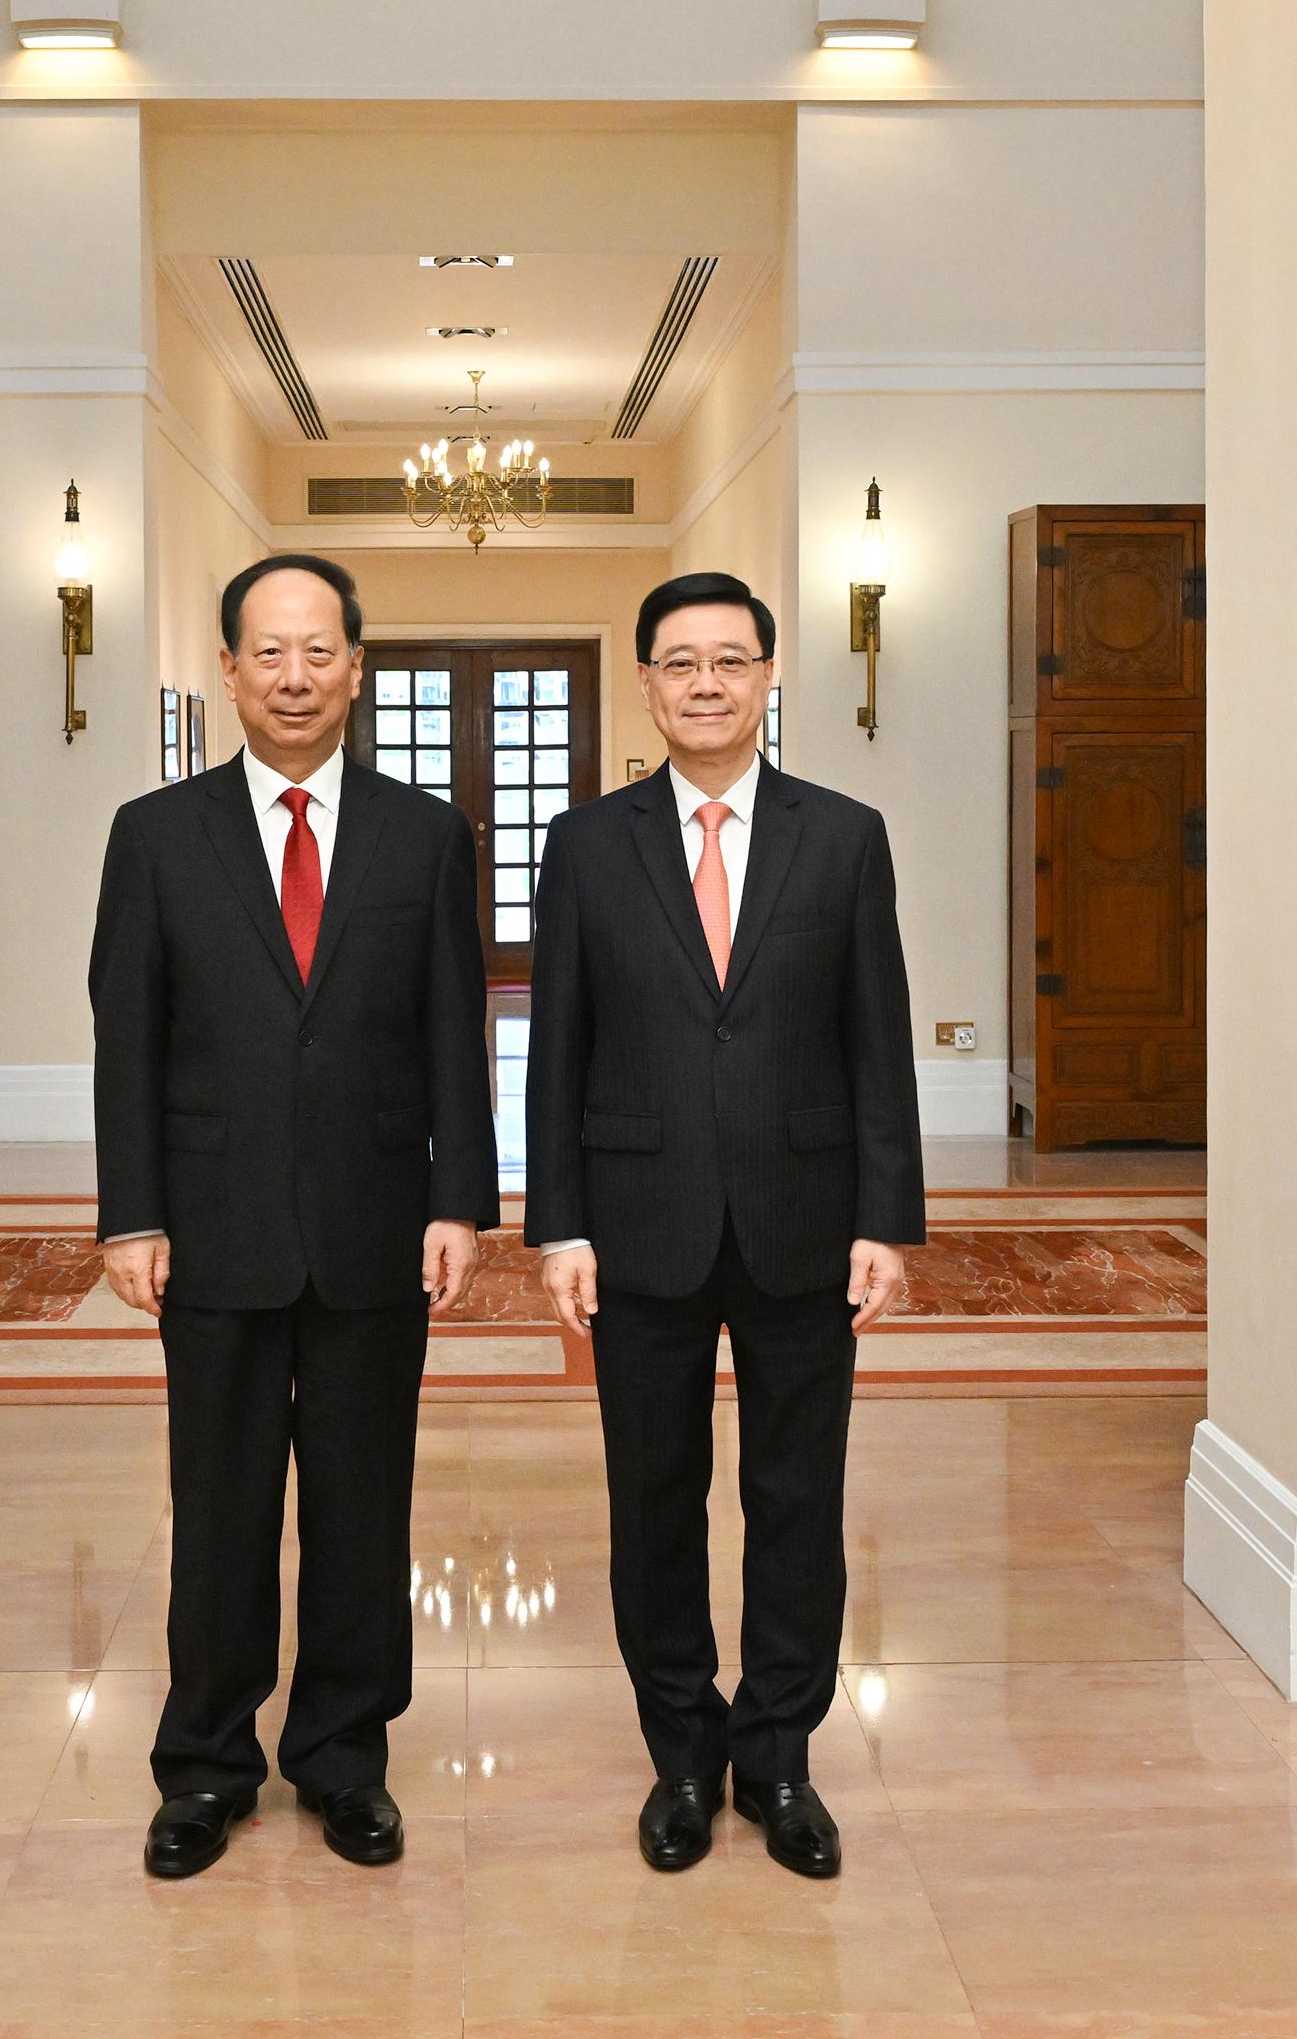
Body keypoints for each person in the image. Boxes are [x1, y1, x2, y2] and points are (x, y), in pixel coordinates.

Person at [89, 552, 497, 1879]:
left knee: (362, 1510)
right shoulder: (155, 836)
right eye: (269, 652)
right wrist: (130, 1213)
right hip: (209, 1229)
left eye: (319, 651)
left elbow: (456, 1033)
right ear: (228, 672)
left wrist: (460, 1201)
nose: (295, 676)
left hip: (381, 1224)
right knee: (218, 1509)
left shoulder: (423, 836)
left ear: (356, 669)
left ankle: (342, 1759)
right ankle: (206, 1765)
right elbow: (126, 1042)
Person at [525, 570, 920, 1879]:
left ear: (765, 679)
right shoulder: (585, 845)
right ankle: (683, 1756)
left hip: (808, 1223)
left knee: (797, 1498)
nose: (705, 683)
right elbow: (556, 1052)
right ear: (646, 683)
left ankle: (782, 1756)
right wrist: (559, 1227)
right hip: (636, 1226)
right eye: (680, 662)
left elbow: (879, 1043)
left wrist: (887, 1216)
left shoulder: (845, 836)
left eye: (730, 661)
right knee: (656, 1499)